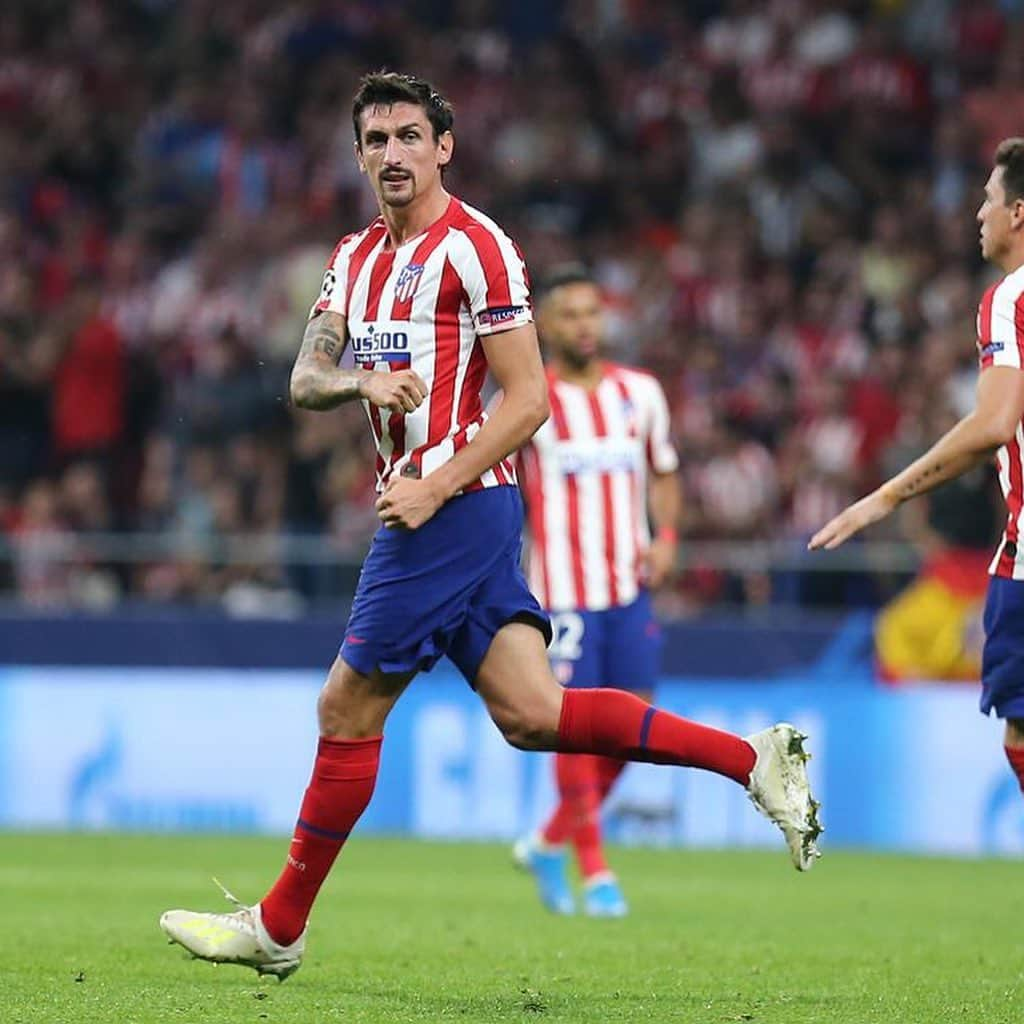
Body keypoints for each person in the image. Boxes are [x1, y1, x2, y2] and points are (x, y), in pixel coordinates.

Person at [159, 71, 821, 981]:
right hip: (441, 506)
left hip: (455, 508)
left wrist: (437, 486)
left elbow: (530, 400)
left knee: (345, 707)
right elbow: (304, 380)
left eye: (408, 136)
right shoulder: (352, 259)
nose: (392, 153)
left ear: (444, 147)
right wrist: (360, 380)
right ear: (358, 156)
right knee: (532, 714)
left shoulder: (479, 249)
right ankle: (753, 760)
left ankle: (278, 927)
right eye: (375, 140)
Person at [809, 137, 1024, 798]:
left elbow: (993, 424)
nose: (978, 215)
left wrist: (884, 498)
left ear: (1018, 213)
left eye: (988, 201)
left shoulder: (1011, 298)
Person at [512, 265, 682, 918]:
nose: (585, 325)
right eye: (570, 314)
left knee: (635, 730)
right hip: (562, 595)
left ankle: (549, 841)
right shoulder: (532, 402)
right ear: (547, 326)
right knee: (575, 730)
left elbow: (664, 471)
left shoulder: (639, 394)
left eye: (593, 312)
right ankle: (596, 870)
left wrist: (664, 536)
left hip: (628, 587)